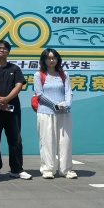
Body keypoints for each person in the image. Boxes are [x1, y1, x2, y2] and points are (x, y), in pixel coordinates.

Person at [0, 40, 32, 181]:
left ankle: (17, 169)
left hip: (12, 109)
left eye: (4, 48)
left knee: (15, 139)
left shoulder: (14, 68)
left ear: (8, 51)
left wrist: (7, 99)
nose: (1, 50)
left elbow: (18, 85)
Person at [34, 48, 77, 179]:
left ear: (58, 59)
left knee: (65, 142)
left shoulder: (64, 74)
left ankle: (66, 170)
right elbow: (39, 94)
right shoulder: (39, 75)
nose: (51, 60)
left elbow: (68, 91)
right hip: (46, 113)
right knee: (47, 141)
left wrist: (67, 104)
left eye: (54, 58)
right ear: (44, 60)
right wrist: (55, 105)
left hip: (64, 113)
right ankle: (48, 169)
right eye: (48, 58)